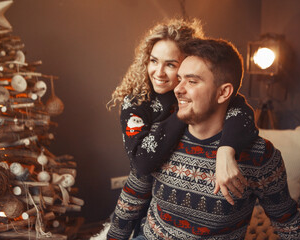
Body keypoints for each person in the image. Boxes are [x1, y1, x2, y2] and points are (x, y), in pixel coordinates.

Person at [107, 38, 300, 240]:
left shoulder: (259, 156)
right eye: (179, 79)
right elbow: (129, 201)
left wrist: (225, 150)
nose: (178, 89)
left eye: (192, 81)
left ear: (223, 92)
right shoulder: (159, 139)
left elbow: (287, 221)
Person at [107, 18, 258, 206]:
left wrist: (226, 150)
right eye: (153, 61)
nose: (159, 72)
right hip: (145, 201)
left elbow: (242, 112)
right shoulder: (137, 102)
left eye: (170, 64)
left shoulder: (201, 93)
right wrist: (183, 113)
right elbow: (142, 162)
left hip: (191, 194)